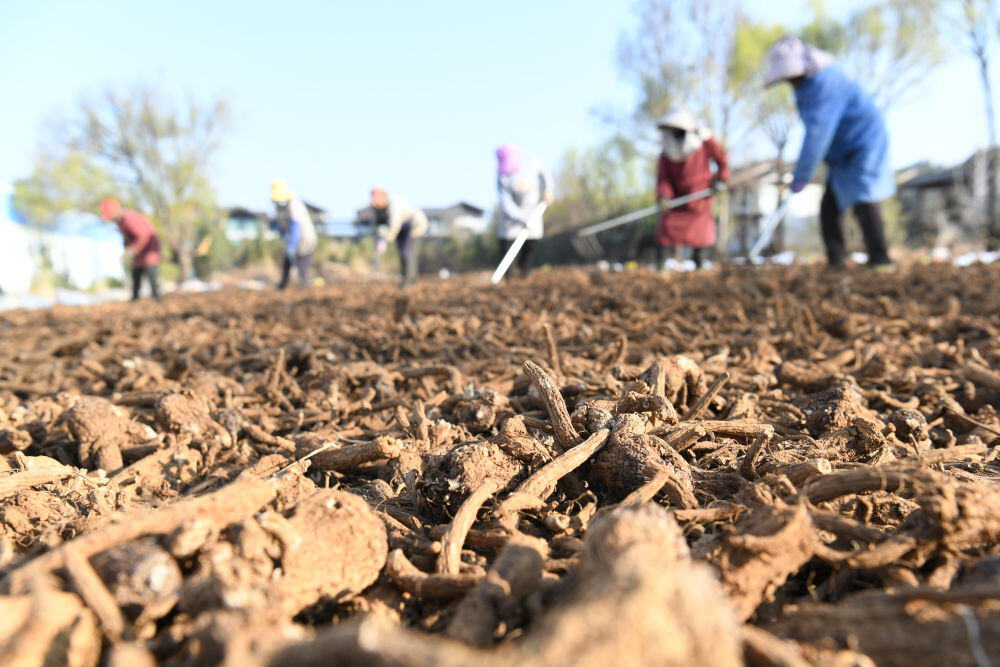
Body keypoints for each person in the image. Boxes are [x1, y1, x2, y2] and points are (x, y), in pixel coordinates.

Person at [764, 36, 894, 270]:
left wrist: (802, 175)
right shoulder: (806, 87)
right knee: (829, 206)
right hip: (840, 154)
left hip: (863, 144)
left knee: (865, 198)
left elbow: (817, 134)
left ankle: (880, 260)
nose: (789, 82)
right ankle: (836, 262)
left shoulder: (826, 82)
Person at [655, 108, 729, 270]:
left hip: (699, 199)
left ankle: (700, 266)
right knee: (666, 230)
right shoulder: (666, 154)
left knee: (700, 235)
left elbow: (722, 159)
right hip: (675, 203)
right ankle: (661, 268)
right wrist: (664, 196)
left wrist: (721, 180)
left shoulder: (704, 143)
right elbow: (663, 179)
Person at [496, 144, 553, 278]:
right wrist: (522, 219)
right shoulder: (502, 176)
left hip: (533, 211)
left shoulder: (533, 163)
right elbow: (506, 203)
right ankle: (509, 276)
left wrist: (548, 190)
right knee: (508, 246)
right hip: (511, 219)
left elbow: (546, 175)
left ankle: (524, 274)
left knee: (531, 244)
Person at [100, 198, 161, 301]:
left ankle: (157, 299)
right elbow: (127, 237)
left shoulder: (129, 218)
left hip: (149, 247)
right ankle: (135, 299)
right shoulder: (120, 222)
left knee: (150, 271)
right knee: (136, 272)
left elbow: (144, 235)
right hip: (139, 249)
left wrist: (132, 250)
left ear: (117, 211)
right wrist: (127, 247)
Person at [370, 187, 428, 287]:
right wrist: (377, 239)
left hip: (414, 225)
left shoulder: (394, 203)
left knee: (408, 252)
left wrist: (386, 240)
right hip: (401, 229)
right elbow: (376, 225)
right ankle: (406, 278)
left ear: (383, 195)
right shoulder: (376, 207)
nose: (374, 201)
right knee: (401, 252)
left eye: (376, 198)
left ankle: (409, 280)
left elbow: (395, 224)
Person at [270, 179, 318, 289]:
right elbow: (280, 224)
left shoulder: (294, 204)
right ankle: (283, 284)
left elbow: (295, 226)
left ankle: (303, 285)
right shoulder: (279, 206)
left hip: (305, 239)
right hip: (291, 238)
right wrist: (284, 236)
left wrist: (292, 244)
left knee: (303, 262)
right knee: (287, 260)